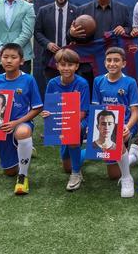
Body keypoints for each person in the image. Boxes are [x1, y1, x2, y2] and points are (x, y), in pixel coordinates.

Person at [0, 43, 43, 195]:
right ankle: (25, 149)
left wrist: (17, 122)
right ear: (0, 59)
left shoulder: (28, 80)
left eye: (13, 57)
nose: (8, 61)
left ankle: (23, 176)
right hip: (3, 126)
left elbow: (37, 107)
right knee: (9, 171)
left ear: (21, 61)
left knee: (22, 133)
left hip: (22, 122)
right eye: (5, 57)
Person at [91, 46, 138, 197]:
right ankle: (134, 156)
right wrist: (93, 128)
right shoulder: (98, 81)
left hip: (125, 125)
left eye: (116, 61)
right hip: (105, 125)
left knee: (116, 139)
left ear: (124, 64)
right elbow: (96, 109)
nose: (112, 63)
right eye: (109, 60)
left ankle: (127, 178)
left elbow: (135, 112)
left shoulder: (130, 82)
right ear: (105, 62)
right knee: (113, 174)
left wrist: (127, 126)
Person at [68, 0, 132, 88]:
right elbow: (71, 37)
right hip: (88, 65)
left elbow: (130, 30)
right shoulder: (82, 10)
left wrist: (124, 29)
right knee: (88, 96)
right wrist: (71, 34)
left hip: (113, 64)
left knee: (111, 96)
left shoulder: (123, 9)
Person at [43, 49, 90, 191]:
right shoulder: (52, 83)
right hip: (62, 122)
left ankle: (76, 174)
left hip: (79, 121)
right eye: (63, 65)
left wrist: (67, 124)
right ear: (57, 66)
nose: (66, 68)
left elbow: (82, 112)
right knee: (66, 167)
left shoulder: (82, 84)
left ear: (76, 66)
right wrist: (46, 114)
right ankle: (88, 151)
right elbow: (49, 106)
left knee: (72, 136)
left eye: (70, 65)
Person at [35, 0, 77, 83]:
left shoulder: (77, 11)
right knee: (53, 93)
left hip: (70, 60)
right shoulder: (43, 11)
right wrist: (47, 44)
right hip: (50, 59)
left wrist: (75, 39)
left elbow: (81, 33)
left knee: (70, 93)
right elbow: (37, 31)